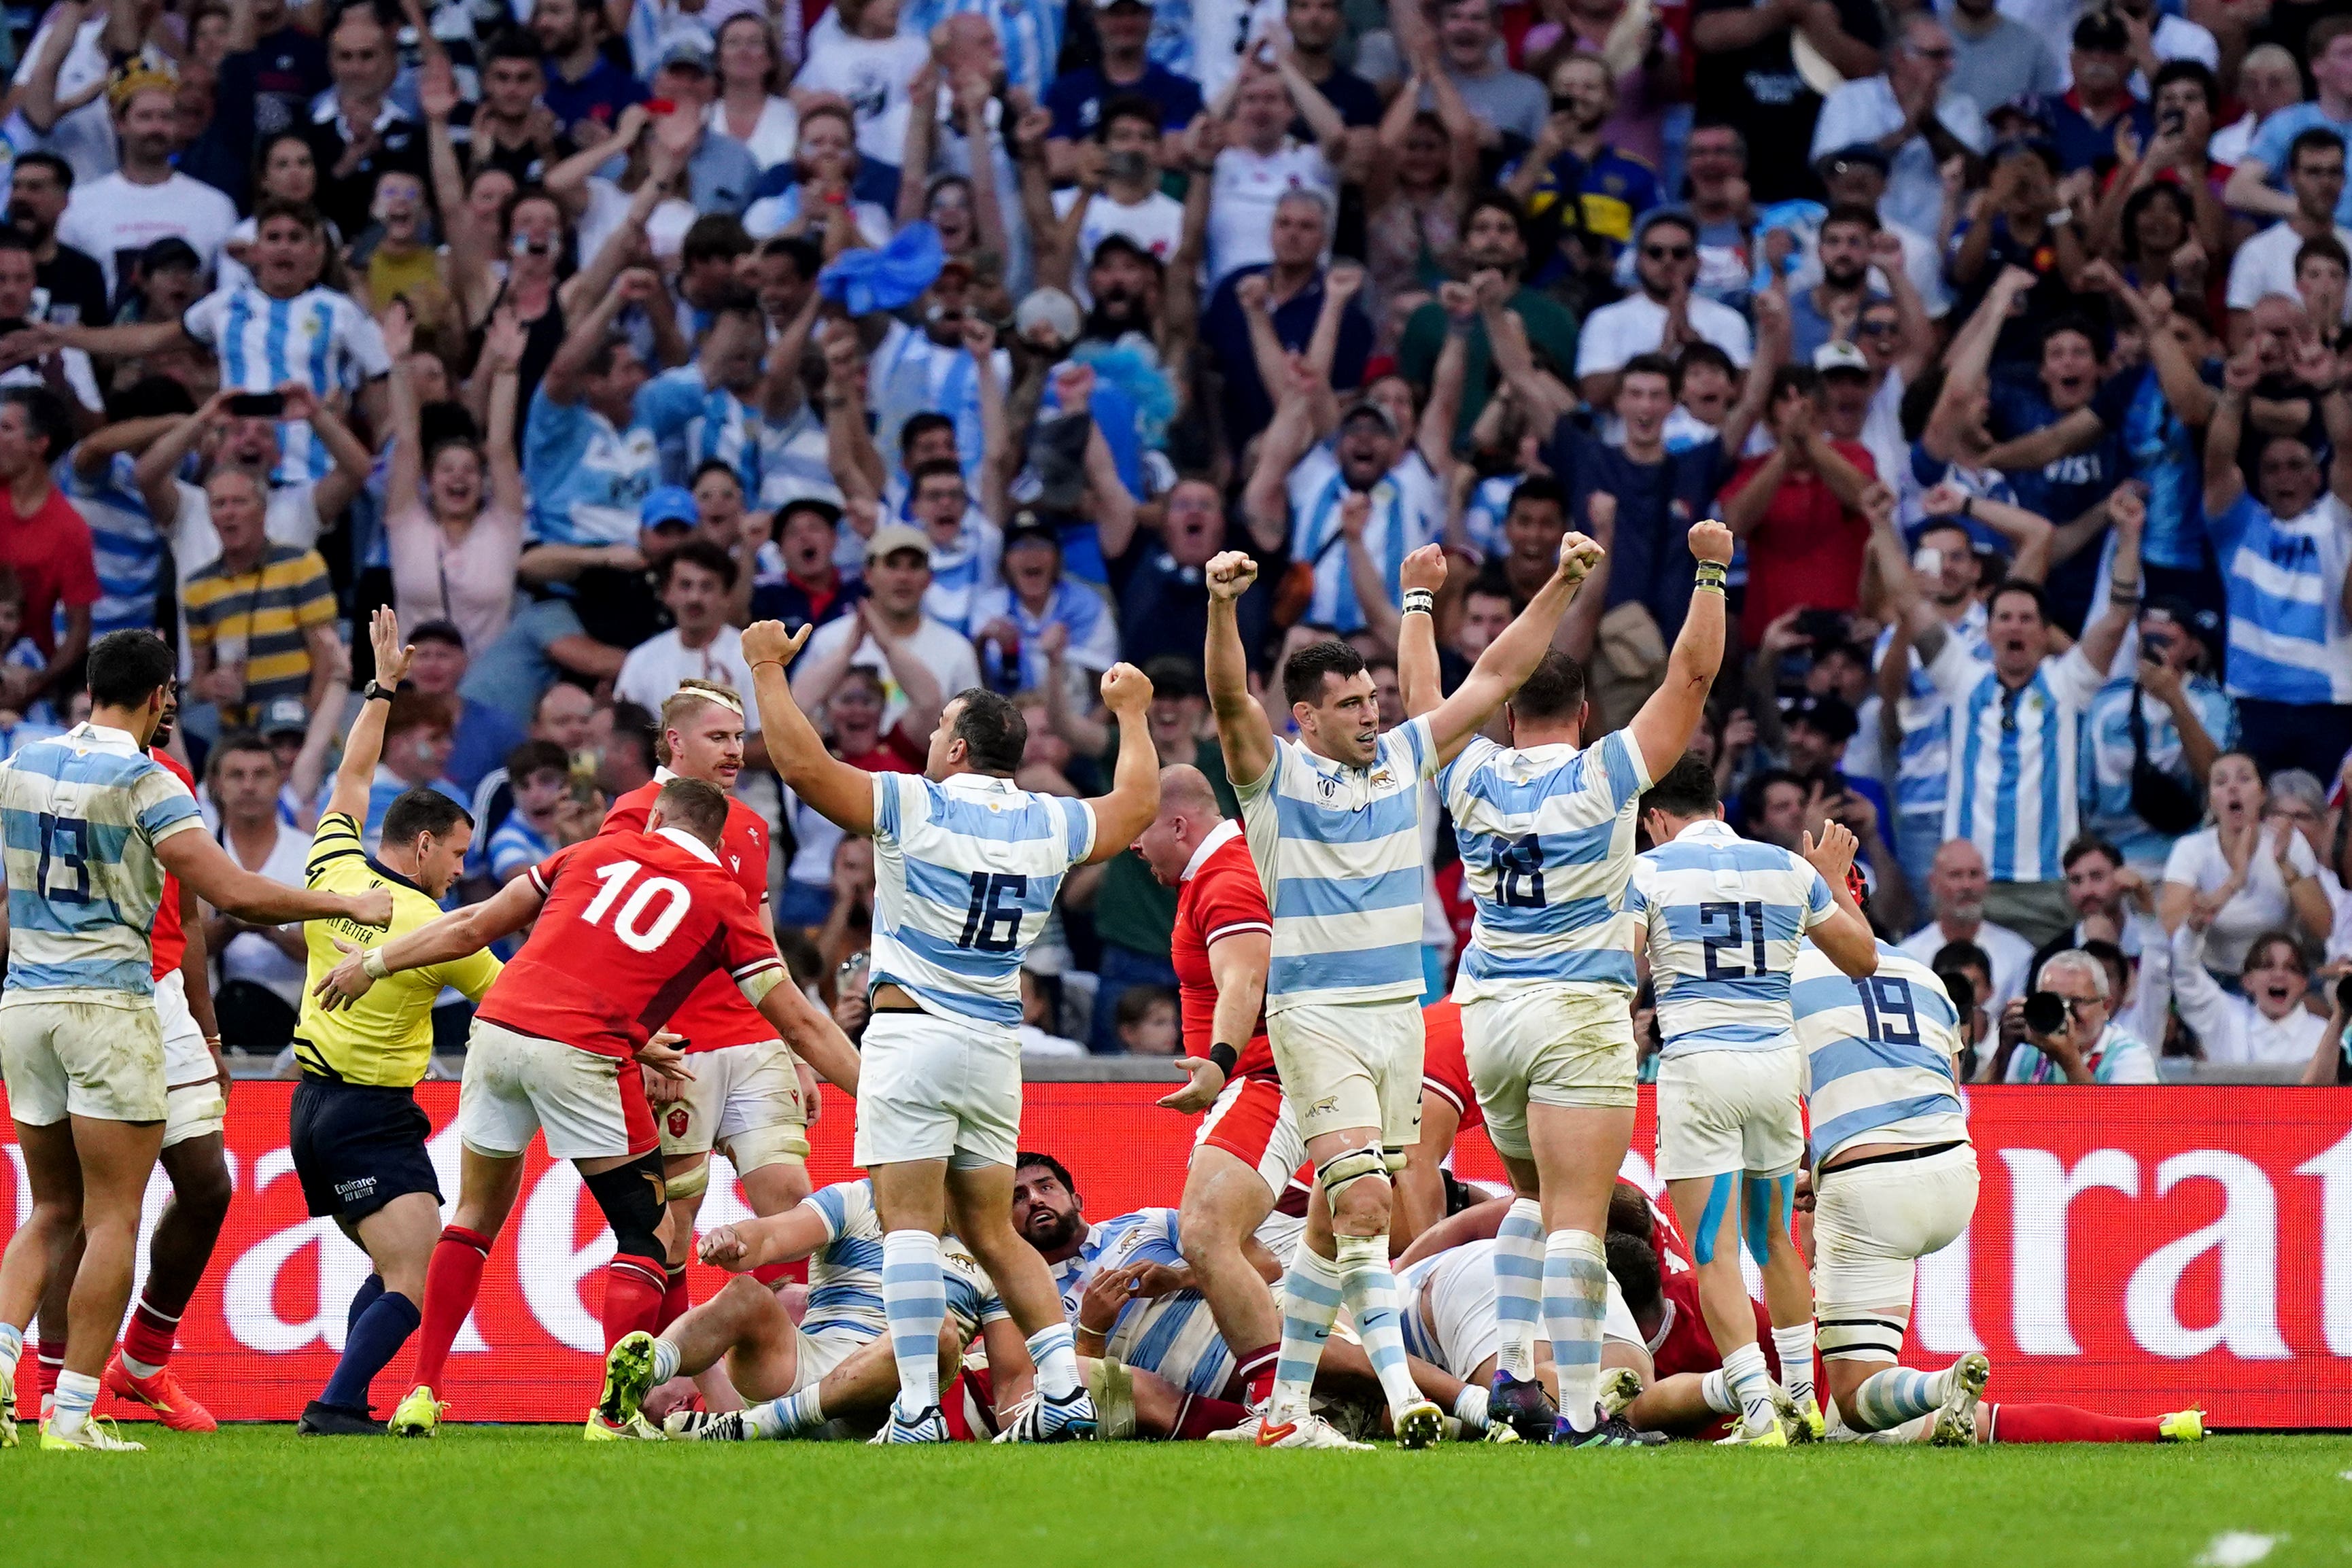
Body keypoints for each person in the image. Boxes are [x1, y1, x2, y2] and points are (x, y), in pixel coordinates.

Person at [1205, 514, 1604, 1451]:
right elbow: (1228, 700)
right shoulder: (1273, 776)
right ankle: (1406, 1393)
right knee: (1367, 1206)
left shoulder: (1403, 758)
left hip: (1398, 1016)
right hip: (1318, 1017)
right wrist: (1223, 608)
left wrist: (1565, 585)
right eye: (1348, 703)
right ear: (1304, 716)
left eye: (1372, 697)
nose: (1370, 712)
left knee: (1336, 1230)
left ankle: (1281, 1413)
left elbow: (1498, 674)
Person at [309, 775, 861, 1439]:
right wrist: (877, 1096)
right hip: (580, 1049)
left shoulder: (591, 854)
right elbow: (799, 1024)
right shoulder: (723, 897)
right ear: (720, 839)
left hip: (500, 1030)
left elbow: (475, 925)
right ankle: (610, 1415)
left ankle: (422, 1393)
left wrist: (375, 963)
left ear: (656, 816)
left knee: (476, 1215)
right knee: (651, 1233)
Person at [742, 614, 1162, 1443]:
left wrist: (763, 668)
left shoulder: (913, 802)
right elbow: (1137, 802)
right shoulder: (1051, 821)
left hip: (914, 1033)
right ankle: (1065, 1396)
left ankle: (916, 1411)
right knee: (988, 1228)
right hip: (993, 1046)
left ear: (961, 748)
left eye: (939, 727)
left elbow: (800, 765)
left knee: (907, 1226)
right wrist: (1132, 715)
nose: (931, 737)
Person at [0, 629, 390, 1450]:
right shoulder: (149, 781)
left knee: (50, 1210)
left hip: (26, 1003)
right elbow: (234, 896)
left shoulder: (22, 763)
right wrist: (348, 905)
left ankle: (17, 1382)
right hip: (110, 1008)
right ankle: (70, 1417)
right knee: (112, 1218)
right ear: (155, 696)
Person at [289, 611, 502, 1436]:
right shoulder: (433, 929)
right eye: (454, 854)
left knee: (394, 1268)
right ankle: (336, 1406)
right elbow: (516, 1001)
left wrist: (381, 687)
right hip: (369, 1115)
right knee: (416, 1276)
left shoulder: (333, 866)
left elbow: (351, 774)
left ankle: (349, 1398)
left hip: (312, 1110)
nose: (460, 869)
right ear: (419, 847)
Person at [1631, 759, 1878, 1444]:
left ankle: (1759, 1412)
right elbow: (1862, 957)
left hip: (1700, 1067)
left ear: (1654, 818)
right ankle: (1801, 1401)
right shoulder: (1783, 867)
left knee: (1712, 1250)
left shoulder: (1648, 872)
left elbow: (1619, 974)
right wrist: (1830, 884)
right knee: (1773, 1240)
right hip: (1774, 1065)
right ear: (1713, 804)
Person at [599, 680, 804, 1338]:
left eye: (739, 738)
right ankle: (660, 1386)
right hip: (678, 1046)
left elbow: (763, 939)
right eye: (718, 737)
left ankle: (805, 1371)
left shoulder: (749, 824)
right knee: (672, 1228)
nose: (735, 751)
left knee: (791, 1199)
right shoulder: (633, 814)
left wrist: (796, 1047)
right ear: (676, 742)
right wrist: (641, 1040)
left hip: (751, 1037)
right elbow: (608, 941)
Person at [1870, 478, 2145, 946]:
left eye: (2026, 619)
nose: (2015, 626)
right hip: (1973, 884)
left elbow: (2117, 616)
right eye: (2005, 618)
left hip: (2050, 884)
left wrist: (2131, 535)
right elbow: (1909, 601)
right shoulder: (1961, 678)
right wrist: (1879, 524)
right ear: (1990, 630)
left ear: (2043, 632)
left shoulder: (2068, 683)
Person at [73, 697, 227, 1435]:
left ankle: (141, 1364)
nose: (172, 707)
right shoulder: (53, 780)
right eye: (165, 693)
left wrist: (210, 1028)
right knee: (81, 1206)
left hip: (163, 998)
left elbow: (190, 913)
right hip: (89, 996)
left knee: (207, 1186)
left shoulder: (169, 780)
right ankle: (51, 1392)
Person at [1788, 896, 1989, 1441]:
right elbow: (1943, 1083)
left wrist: (1801, 1173)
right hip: (1955, 1171)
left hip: (1871, 1187)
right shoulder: (1927, 977)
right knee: (1854, 1420)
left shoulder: (1783, 969)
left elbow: (1768, 1101)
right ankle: (1936, 1407)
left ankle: (1940, 1385)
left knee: (1852, 1398)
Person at [1134, 761, 1289, 1417]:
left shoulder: (1227, 875)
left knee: (1204, 1231)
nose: (1133, 845)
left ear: (1178, 822)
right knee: (1254, 1248)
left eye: (1142, 829)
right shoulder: (1213, 872)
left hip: (1261, 1078)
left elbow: (1243, 981)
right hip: (1250, 1079)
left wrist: (1219, 1062)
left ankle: (1280, 1406)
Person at [2200, 342, 2352, 778]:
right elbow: (2217, 463)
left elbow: (2348, 449)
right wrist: (2232, 397)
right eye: (2272, 468)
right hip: (2255, 699)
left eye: (2296, 465)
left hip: (2331, 700)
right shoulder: (2240, 526)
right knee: (2255, 821)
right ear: (2258, 480)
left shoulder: (2337, 521)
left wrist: (2328, 389)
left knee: (2333, 820)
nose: (2284, 476)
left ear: (2316, 476)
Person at [383, 306, 526, 657]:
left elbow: (500, 448)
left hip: (485, 689)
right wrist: (399, 365)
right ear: (429, 482)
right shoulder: (407, 523)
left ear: (483, 482)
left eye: (469, 470)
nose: (459, 477)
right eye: (447, 469)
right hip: (414, 685)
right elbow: (407, 445)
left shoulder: (502, 526)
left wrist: (507, 370)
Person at [54, 73, 239, 309]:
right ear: (120, 124)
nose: (156, 128)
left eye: (166, 118)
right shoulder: (79, 204)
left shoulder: (216, 206)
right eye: (145, 117)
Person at [1808, 16, 1991, 240]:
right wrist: (1904, 134)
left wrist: (1929, 125)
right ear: (1900, 57)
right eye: (1936, 56)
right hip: (1860, 242)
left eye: (1950, 55)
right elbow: (1828, 168)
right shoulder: (1849, 98)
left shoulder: (1962, 107)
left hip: (1934, 246)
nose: (1949, 66)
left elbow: (1976, 177)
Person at [1575, 210, 1752, 408]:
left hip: (1712, 437)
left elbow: (1745, 394)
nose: (1668, 261)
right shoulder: (1606, 319)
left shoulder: (1728, 319)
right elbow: (1595, 394)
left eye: (1680, 253)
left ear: (1697, 262)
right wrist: (1662, 354)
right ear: (1638, 261)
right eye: (1655, 253)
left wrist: (1696, 346)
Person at [0, 389, 97, 713]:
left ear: (39, 444)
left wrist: (37, 685)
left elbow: (78, 629)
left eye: (6, 429)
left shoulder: (68, 529)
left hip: (21, 675)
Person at [2145, 922, 2327, 1068]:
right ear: (2247, 981)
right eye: (2267, 966)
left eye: (2291, 968)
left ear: (2304, 983)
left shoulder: (2324, 1035)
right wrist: (2193, 931)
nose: (2279, 975)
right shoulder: (2226, 1018)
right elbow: (2187, 976)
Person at [1897, 840, 2037, 1017]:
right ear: (1933, 883)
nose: (1967, 885)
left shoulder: (2019, 954)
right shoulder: (1906, 958)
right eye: (1956, 875)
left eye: (1974, 874)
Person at [1990, 945, 2158, 1083]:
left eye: (2076, 1001)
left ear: (2106, 1006)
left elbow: (2113, 1122)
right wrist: (2004, 1053)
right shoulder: (2027, 1052)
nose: (2065, 1013)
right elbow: (1982, 1114)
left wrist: (2069, 1061)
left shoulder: (2131, 1057)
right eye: (2053, 1001)